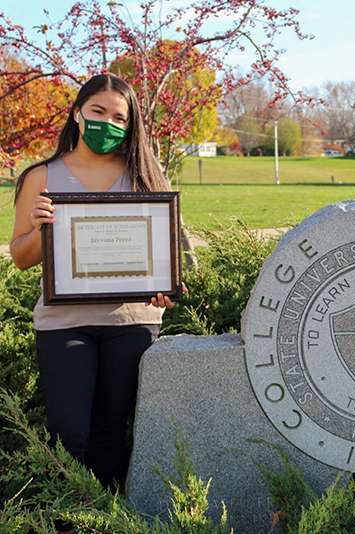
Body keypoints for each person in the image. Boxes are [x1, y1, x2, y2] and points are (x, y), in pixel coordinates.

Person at [10, 74, 178, 516]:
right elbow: (21, 258)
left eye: (119, 117)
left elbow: (167, 252)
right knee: (68, 436)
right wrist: (40, 226)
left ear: (131, 123)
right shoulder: (42, 176)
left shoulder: (144, 171)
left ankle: (104, 521)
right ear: (77, 113)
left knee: (110, 435)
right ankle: (65, 521)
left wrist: (165, 288)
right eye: (98, 112)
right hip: (64, 324)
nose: (108, 123)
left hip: (132, 322)